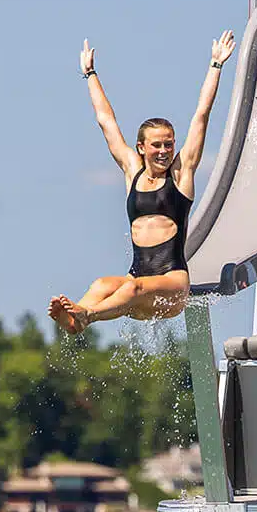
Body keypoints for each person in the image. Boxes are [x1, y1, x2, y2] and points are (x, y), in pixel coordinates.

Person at [48, 33, 236, 334]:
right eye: (157, 145)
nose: (164, 151)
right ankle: (76, 321)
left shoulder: (180, 175)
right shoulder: (131, 171)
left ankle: (86, 315)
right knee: (102, 284)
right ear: (140, 148)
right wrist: (89, 74)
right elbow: (106, 121)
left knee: (131, 288)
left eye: (168, 145)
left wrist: (216, 65)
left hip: (171, 287)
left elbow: (201, 116)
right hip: (137, 284)